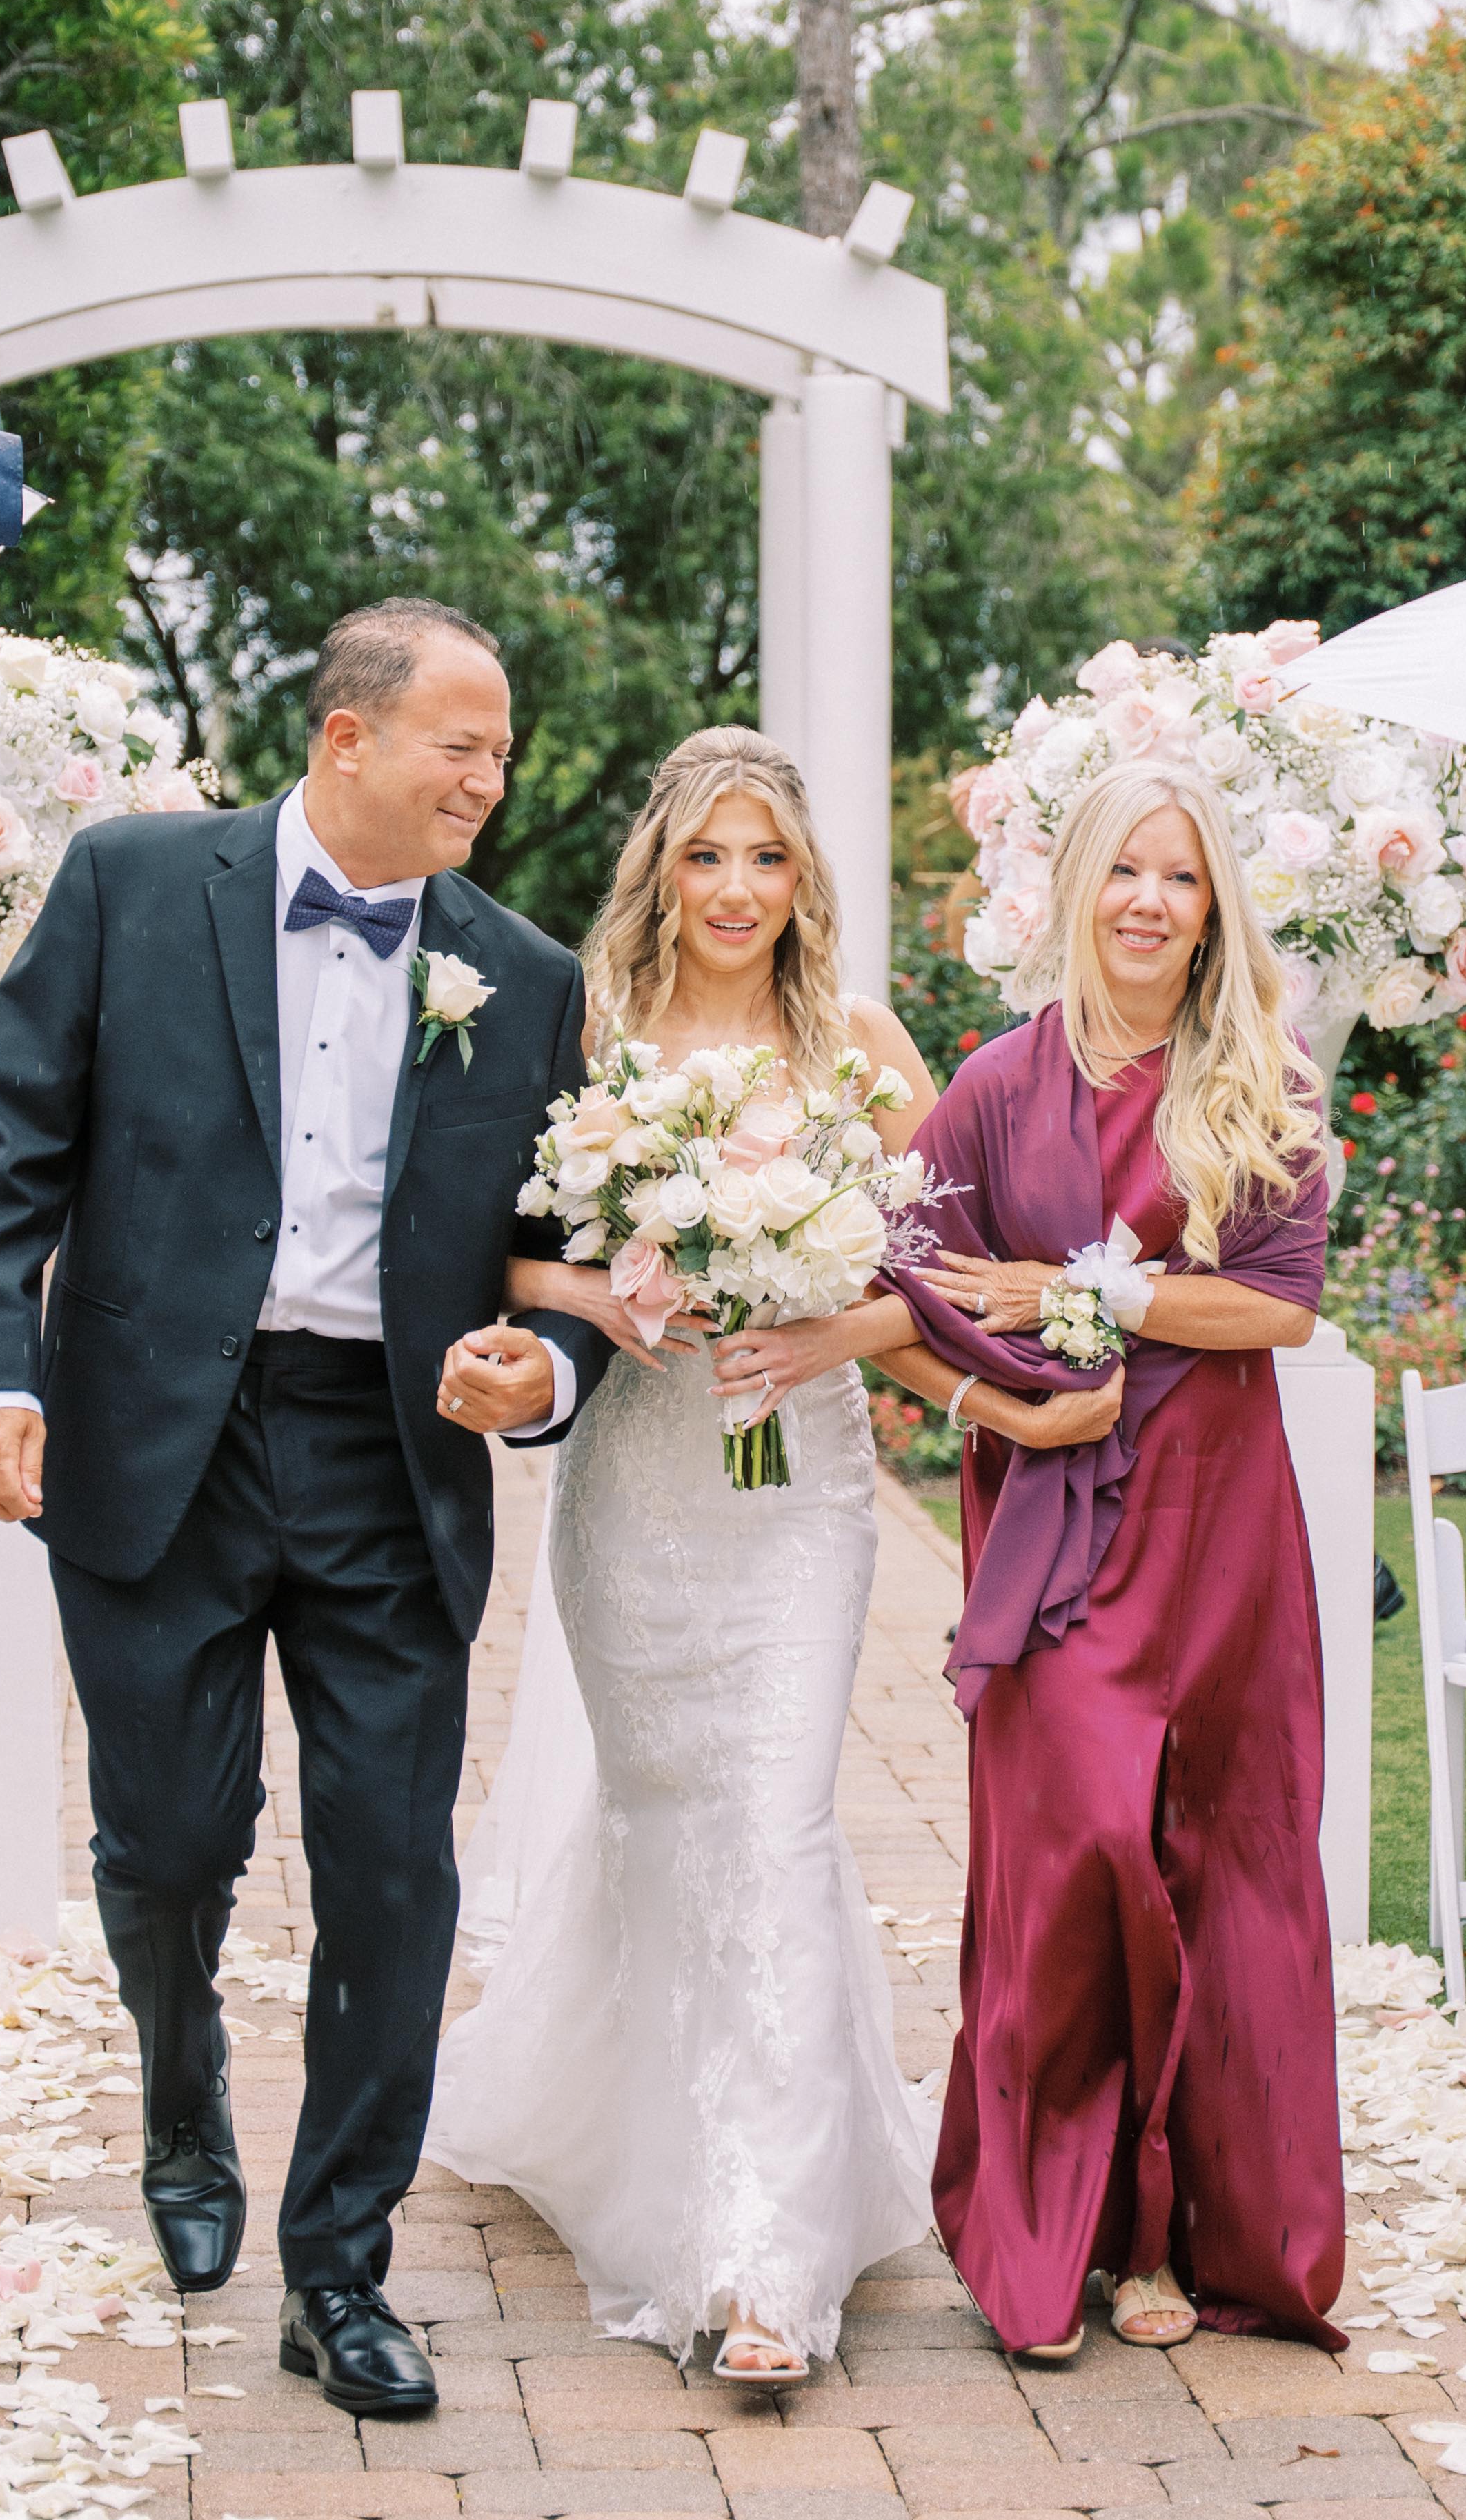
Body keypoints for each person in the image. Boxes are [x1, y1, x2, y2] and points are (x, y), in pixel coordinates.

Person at [0, 598, 610, 2422]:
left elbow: (572, 1267)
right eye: (461, 741)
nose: (492, 772)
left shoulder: (525, 983)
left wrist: (532, 1381)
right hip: (158, 1434)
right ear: (345, 739)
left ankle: (342, 2268)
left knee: (395, 1868)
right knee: (168, 1844)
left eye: (501, 746)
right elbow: (5, 1141)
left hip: (388, 1459)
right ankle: (179, 2096)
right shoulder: (134, 886)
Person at [428, 729, 1113, 2386]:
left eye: (767, 859)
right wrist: (618, 1299)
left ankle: (765, 2259)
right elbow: (501, 1252)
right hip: (638, 1487)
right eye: (707, 857)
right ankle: (648, 2152)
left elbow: (932, 1281)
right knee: (671, 1821)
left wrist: (883, 1357)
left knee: (779, 1822)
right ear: (662, 868)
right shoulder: (587, 1034)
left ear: (805, 882)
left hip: (799, 1499)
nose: (735, 890)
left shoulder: (862, 1050)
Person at [830, 756, 1343, 2363]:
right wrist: (1003, 1387)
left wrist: (1080, 1291)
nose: (1148, 901)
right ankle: (1055, 2230)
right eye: (1125, 870)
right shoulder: (987, 1088)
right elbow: (912, 1285)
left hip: (1219, 1526)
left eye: (1181, 877)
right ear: (1074, 892)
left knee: (1214, 1857)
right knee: (1077, 1864)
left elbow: (1274, 1307)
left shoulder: (1261, 1084)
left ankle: (1183, 2239)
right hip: (1054, 1529)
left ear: (1212, 910)